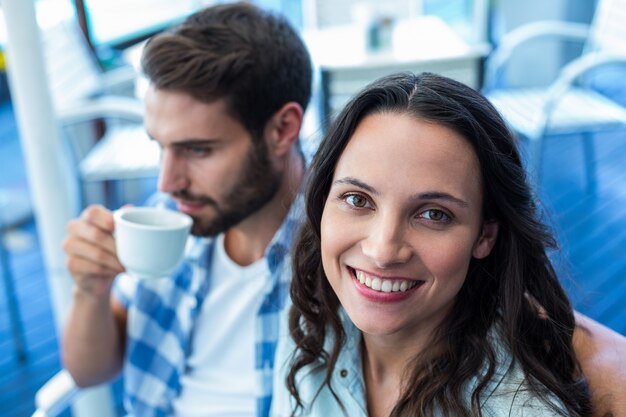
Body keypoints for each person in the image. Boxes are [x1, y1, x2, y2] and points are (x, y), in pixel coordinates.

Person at [273, 72, 597, 417]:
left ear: (485, 235)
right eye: (357, 199)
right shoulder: (307, 322)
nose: (382, 251)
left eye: (433, 214)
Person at [61, 3, 311, 417]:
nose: (166, 182)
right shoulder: (167, 219)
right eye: (160, 146)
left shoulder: (346, 250)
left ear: (282, 129)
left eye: (198, 149)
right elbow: (89, 373)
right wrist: (90, 289)